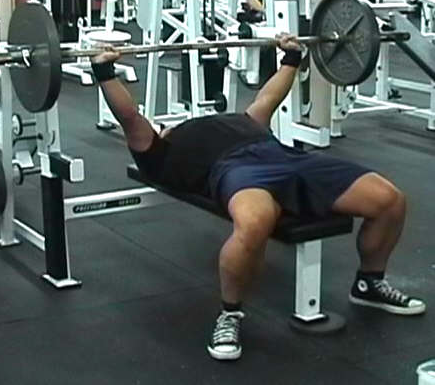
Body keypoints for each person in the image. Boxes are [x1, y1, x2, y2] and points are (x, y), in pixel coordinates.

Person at [90, 34, 426, 361]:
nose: (165, 124)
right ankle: (230, 314)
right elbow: (129, 115)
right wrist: (104, 71)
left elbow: (268, 98)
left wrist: (291, 57)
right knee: (255, 222)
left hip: (285, 157)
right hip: (235, 171)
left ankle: (369, 283)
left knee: (389, 199)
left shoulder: (242, 122)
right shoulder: (158, 151)